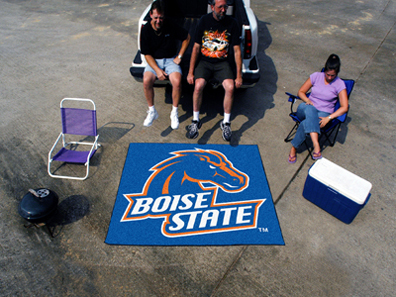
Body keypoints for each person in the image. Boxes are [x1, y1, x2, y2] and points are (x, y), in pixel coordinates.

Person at [186, 0, 242, 141]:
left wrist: (239, 76)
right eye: (220, 7)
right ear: (212, 7)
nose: (223, 10)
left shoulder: (232, 23)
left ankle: (226, 123)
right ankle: (195, 121)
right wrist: (190, 72)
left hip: (222, 63)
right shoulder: (204, 21)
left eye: (226, 7)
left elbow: (236, 51)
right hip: (205, 62)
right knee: (198, 86)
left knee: (230, 88)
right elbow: (196, 48)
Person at [288, 54, 348, 163]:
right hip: (305, 108)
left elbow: (344, 107)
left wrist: (329, 117)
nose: (329, 77)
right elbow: (301, 92)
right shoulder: (316, 76)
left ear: (337, 73)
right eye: (328, 74)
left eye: (332, 76)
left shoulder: (340, 84)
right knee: (311, 109)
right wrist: (307, 100)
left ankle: (293, 148)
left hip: (323, 114)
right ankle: (316, 144)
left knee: (305, 124)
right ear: (324, 70)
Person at [140, 0, 191, 129]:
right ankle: (152, 111)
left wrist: (179, 56)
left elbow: (187, 37)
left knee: (177, 81)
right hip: (154, 60)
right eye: (156, 17)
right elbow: (147, 54)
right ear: (151, 15)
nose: (158, 21)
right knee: (146, 81)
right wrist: (157, 70)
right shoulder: (145, 30)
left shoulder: (170, 25)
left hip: (170, 59)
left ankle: (174, 112)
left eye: (161, 18)